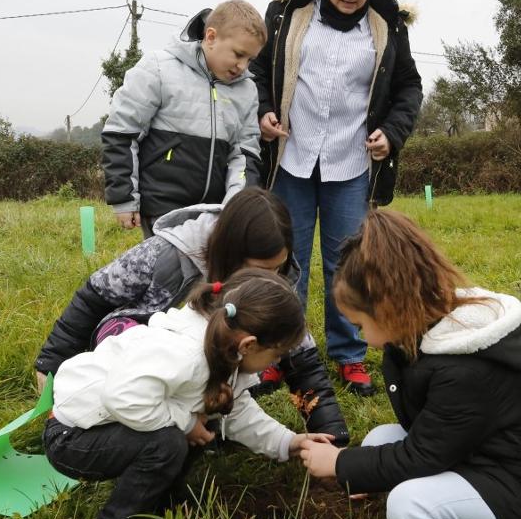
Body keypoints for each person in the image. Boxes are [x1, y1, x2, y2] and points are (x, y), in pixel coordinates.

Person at [297, 210, 521, 519]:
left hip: (517, 486)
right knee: (378, 440)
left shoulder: (463, 372)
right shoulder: (414, 333)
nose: (359, 335)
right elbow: (429, 440)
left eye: (360, 324)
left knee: (407, 508)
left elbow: (423, 455)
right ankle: (446, 508)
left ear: (389, 308)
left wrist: (342, 463)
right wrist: (363, 469)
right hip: (472, 456)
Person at [45, 269, 333, 519]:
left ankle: (158, 501)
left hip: (111, 422)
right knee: (168, 444)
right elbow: (121, 397)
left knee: (200, 426)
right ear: (249, 344)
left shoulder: (224, 345)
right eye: (276, 355)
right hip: (73, 434)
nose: (275, 363)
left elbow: (235, 411)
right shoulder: (187, 354)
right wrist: (185, 423)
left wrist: (289, 441)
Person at [34, 187, 349, 444]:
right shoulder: (166, 254)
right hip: (132, 349)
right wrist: (49, 366)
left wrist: (331, 433)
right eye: (259, 269)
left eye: (277, 269)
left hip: (201, 370)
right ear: (228, 252)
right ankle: (137, 427)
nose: (269, 278)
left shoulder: (270, 282)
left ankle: (204, 424)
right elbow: (93, 297)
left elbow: (299, 354)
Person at [250, 0, 423, 396]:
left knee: (349, 262)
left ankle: (349, 355)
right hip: (292, 158)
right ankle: (279, 350)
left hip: (351, 163)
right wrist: (264, 112)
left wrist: (392, 133)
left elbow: (409, 89)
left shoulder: (388, 25)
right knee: (286, 261)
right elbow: (259, 70)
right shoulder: (288, 14)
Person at [101, 0, 266, 239]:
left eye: (251, 59)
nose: (243, 66)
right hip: (161, 206)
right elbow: (121, 133)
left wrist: (234, 208)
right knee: (170, 274)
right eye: (238, 54)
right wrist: (124, 198)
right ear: (211, 37)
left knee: (209, 275)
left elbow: (245, 153)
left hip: (214, 212)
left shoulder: (247, 91)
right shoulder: (157, 68)